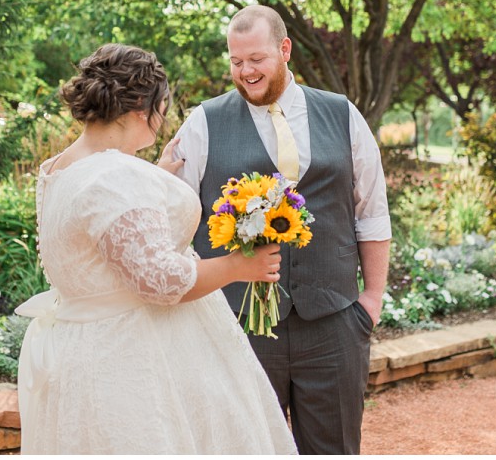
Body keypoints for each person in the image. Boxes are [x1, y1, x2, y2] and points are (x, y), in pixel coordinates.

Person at [16, 43, 297, 455]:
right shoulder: (115, 176)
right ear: (138, 110)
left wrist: (154, 177)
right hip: (136, 359)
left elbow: (104, 238)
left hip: (85, 349)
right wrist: (240, 265)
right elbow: (162, 282)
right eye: (161, 108)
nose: (163, 121)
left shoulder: (62, 167)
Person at [170, 5, 391, 455]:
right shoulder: (203, 123)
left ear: (284, 49)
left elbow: (371, 212)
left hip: (332, 324)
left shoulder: (342, 114)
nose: (245, 72)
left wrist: (370, 303)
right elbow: (173, 217)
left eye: (256, 60)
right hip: (240, 328)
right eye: (236, 62)